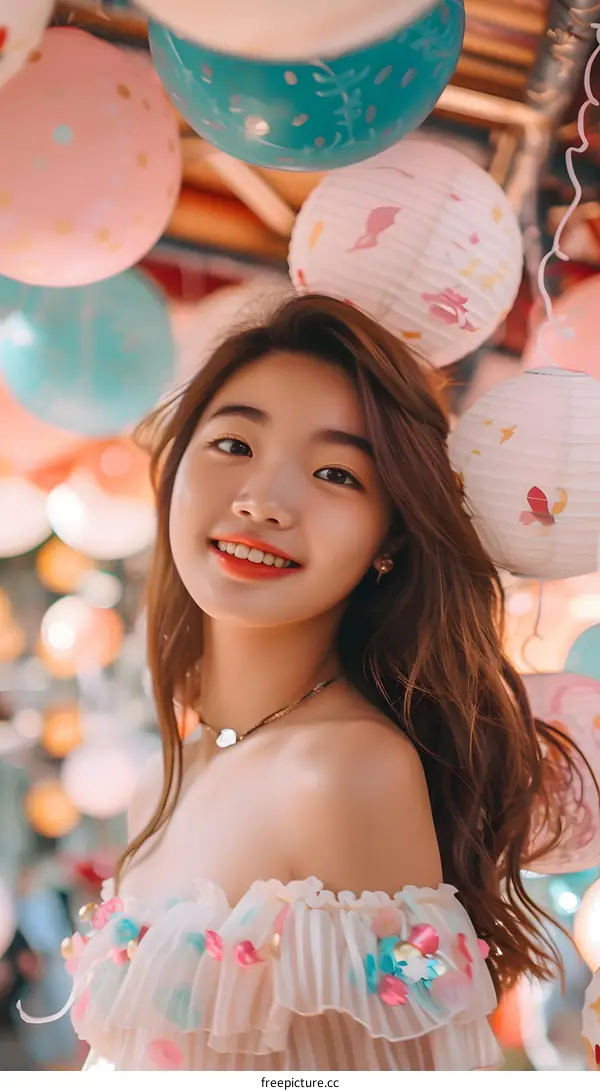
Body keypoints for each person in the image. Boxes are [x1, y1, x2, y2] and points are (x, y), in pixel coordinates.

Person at [23, 295, 587, 1071]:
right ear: (176, 469)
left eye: (334, 473)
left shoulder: (345, 770)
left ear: (390, 537)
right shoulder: (162, 779)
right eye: (233, 443)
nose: (261, 500)